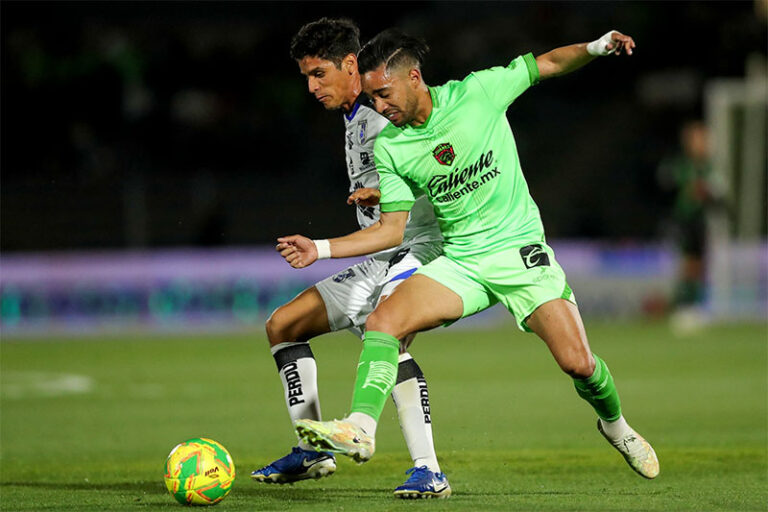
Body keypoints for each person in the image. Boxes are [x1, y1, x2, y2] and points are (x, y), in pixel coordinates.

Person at [277, 28, 660, 480]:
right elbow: (391, 230)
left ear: (413, 78)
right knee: (384, 322)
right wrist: (320, 249)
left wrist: (596, 47)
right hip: (461, 261)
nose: (378, 106)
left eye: (383, 95)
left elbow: (549, 63)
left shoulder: (478, 93)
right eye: (373, 98)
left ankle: (616, 426)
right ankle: (360, 427)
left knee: (578, 363)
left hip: (518, 253)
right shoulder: (391, 145)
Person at [251, 18, 452, 499]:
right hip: (379, 253)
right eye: (306, 76)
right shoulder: (354, 115)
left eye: (318, 74)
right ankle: (312, 450)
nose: (311, 86)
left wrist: (385, 193)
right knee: (284, 326)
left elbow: (441, 166)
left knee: (389, 336)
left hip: (417, 248)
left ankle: (429, 470)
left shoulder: (387, 111)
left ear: (349, 65)